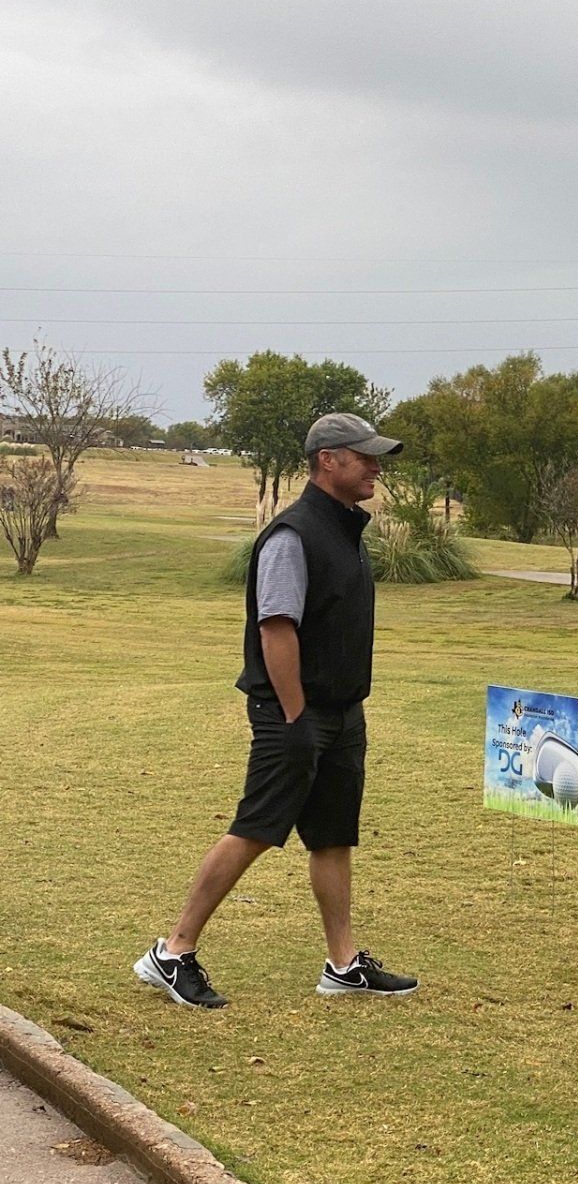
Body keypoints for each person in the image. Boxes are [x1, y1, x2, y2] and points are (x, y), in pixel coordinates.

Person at [134, 414, 419, 1008]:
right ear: (328, 461)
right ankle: (172, 952)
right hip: (293, 712)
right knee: (257, 828)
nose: (376, 467)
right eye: (364, 457)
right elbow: (277, 626)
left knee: (334, 836)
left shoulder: (345, 530)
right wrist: (293, 712)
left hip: (342, 713)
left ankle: (342, 966)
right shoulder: (294, 533)